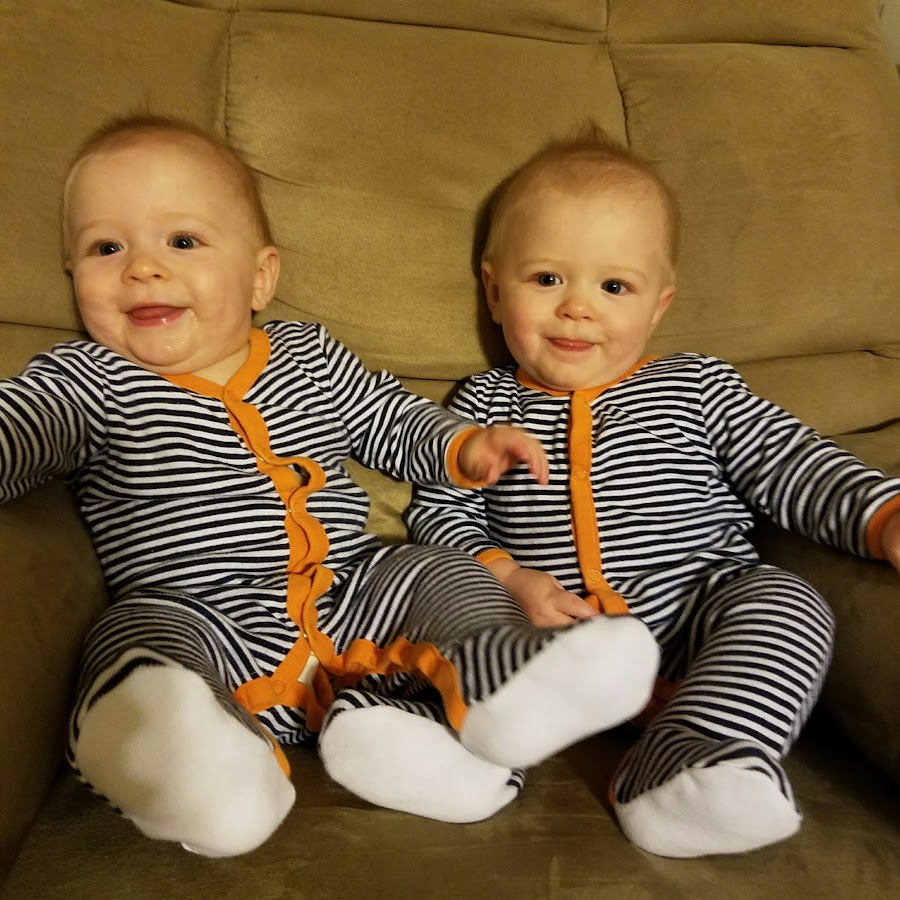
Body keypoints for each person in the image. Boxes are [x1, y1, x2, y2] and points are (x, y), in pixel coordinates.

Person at [0, 115, 662, 857]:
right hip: (204, 617)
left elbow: (391, 419)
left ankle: (498, 689)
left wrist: (464, 446)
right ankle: (194, 772)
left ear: (260, 277)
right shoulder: (83, 381)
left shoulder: (306, 354)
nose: (142, 269)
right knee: (136, 638)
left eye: (181, 241)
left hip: (354, 591)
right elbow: (16, 431)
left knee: (440, 573)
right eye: (106, 248)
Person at [406, 124, 900, 858]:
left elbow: (789, 461)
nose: (578, 308)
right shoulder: (482, 408)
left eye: (614, 287)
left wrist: (881, 514)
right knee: (460, 623)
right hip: (555, 643)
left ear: (659, 306)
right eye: (547, 279)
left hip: (696, 622)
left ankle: (695, 756)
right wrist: (509, 578)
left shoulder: (695, 385)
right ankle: (466, 750)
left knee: (787, 599)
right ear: (493, 289)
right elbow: (440, 514)